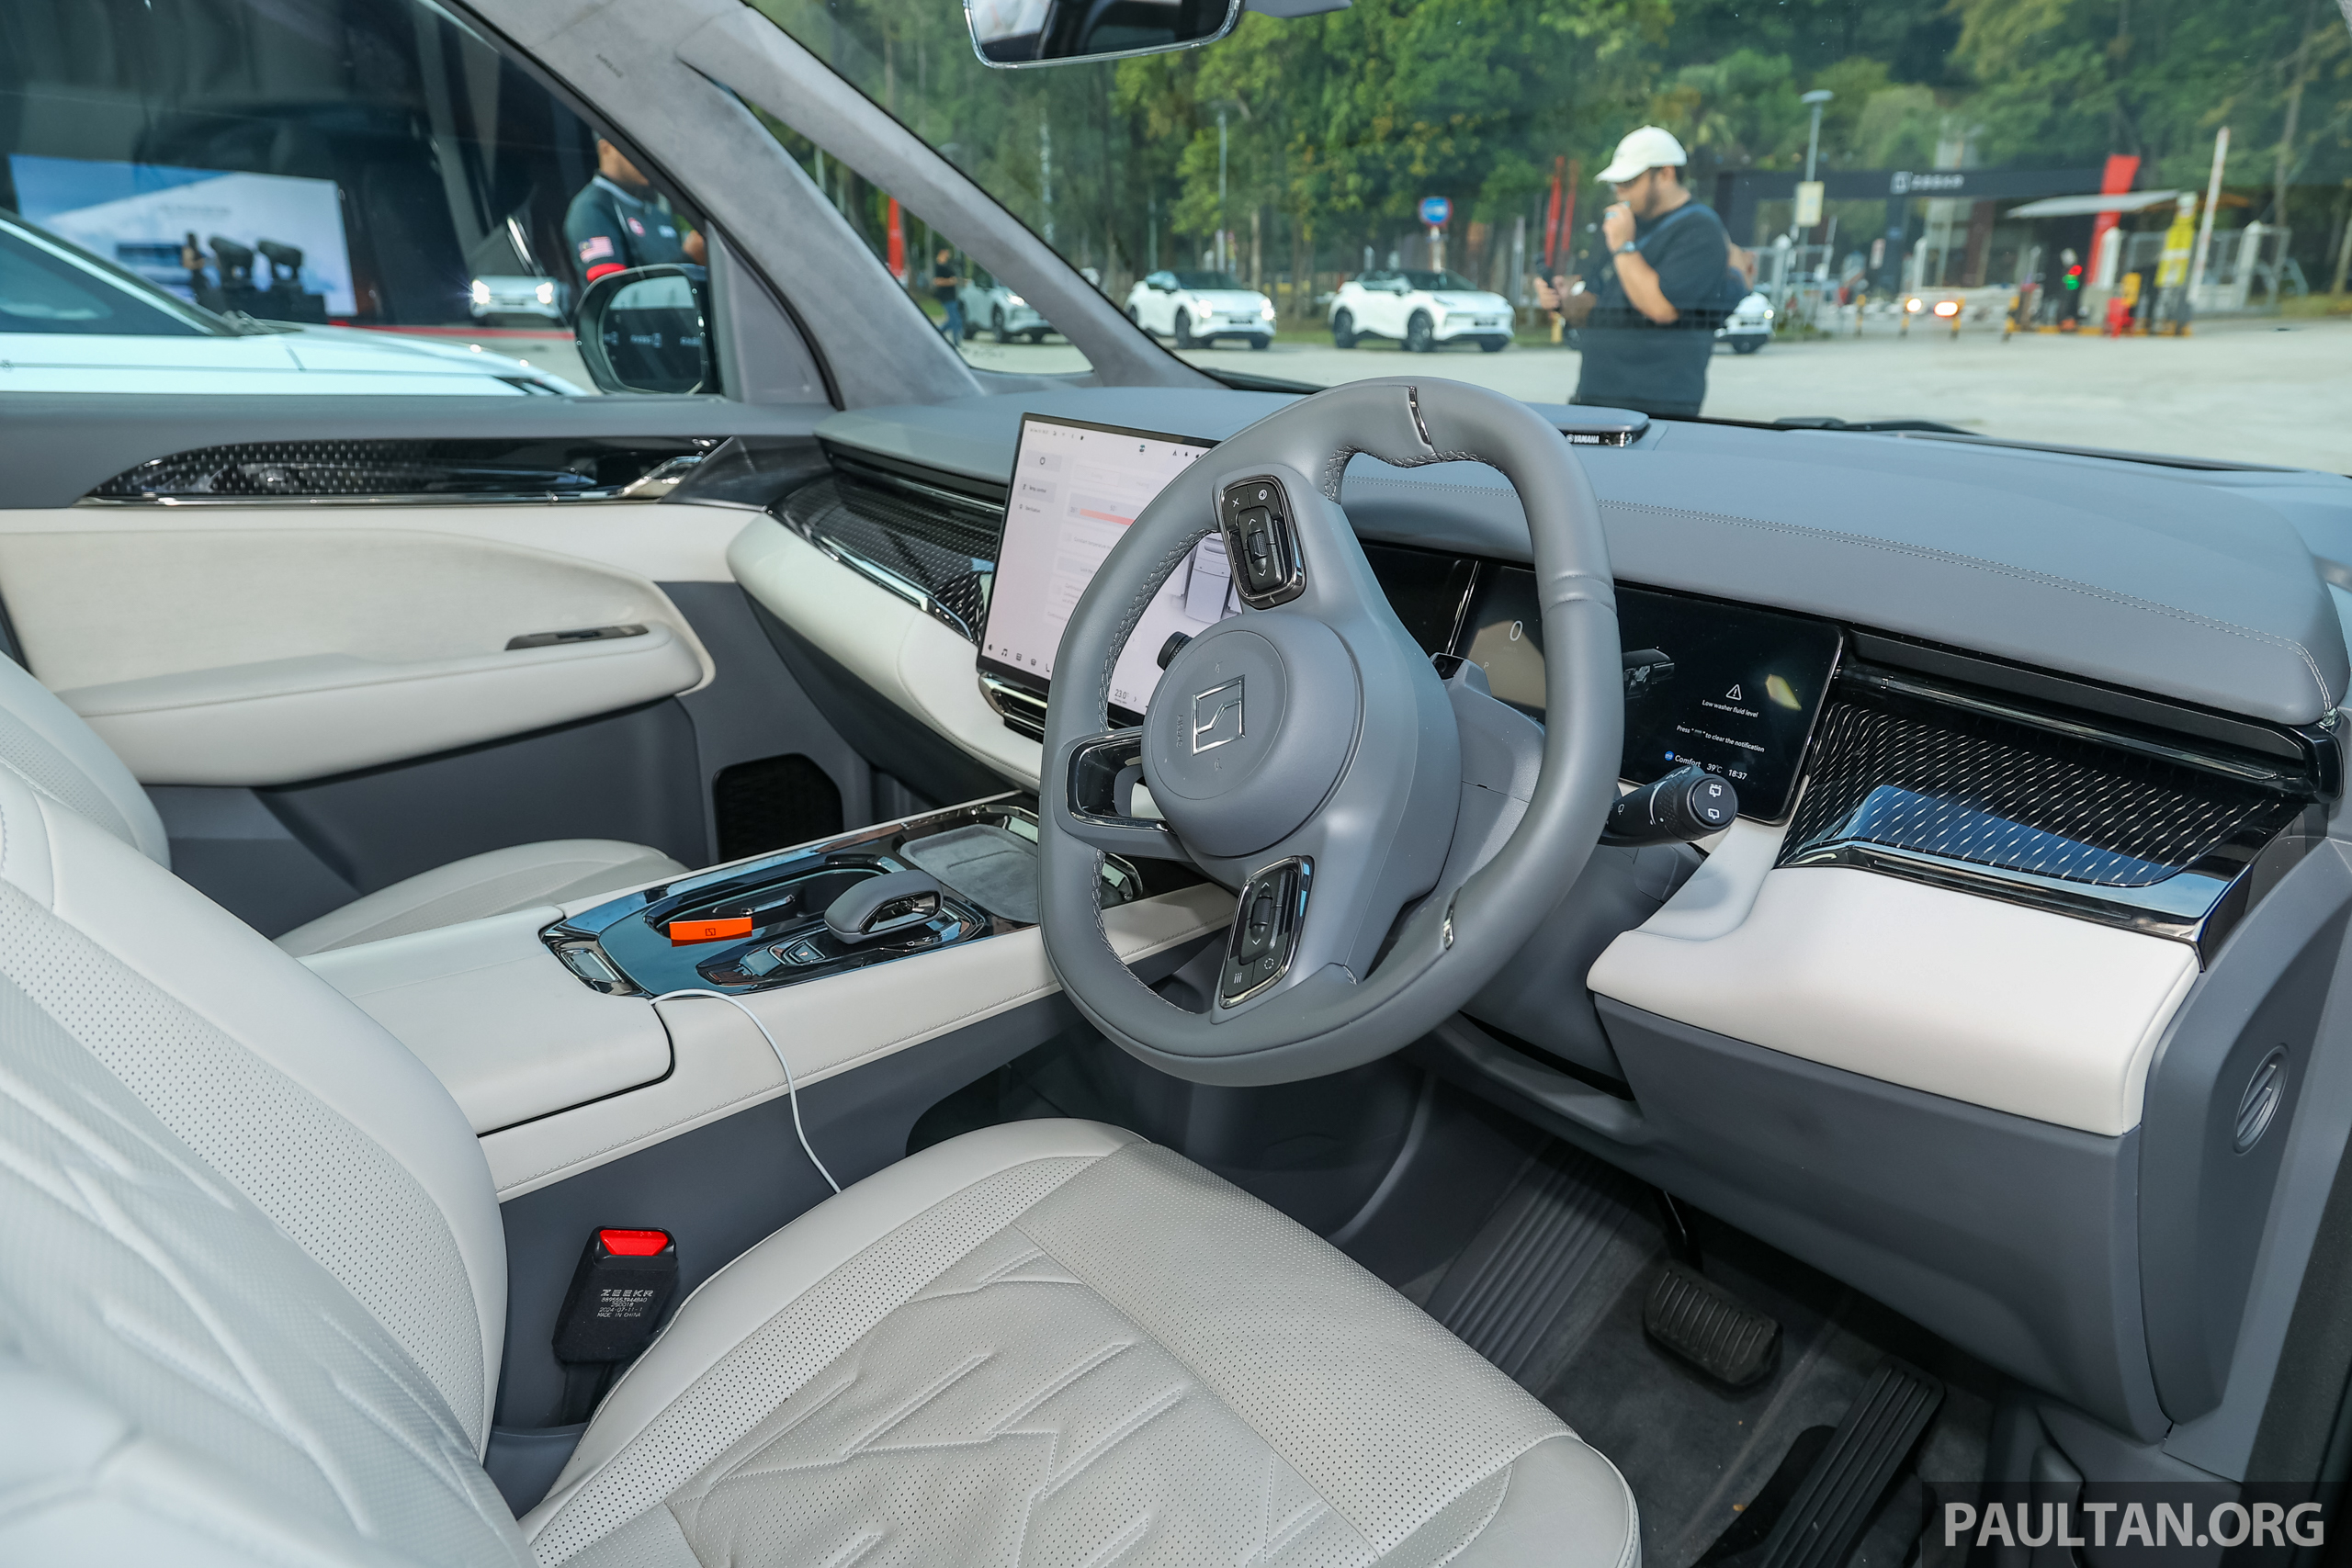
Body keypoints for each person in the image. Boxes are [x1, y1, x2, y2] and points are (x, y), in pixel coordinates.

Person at [1544, 126, 1732, 417]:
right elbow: (1595, 300)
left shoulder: (1699, 230)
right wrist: (1561, 300)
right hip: (1595, 401)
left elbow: (1662, 308)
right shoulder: (1625, 225)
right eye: (1616, 184)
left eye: (1629, 182)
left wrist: (1623, 246)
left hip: (1658, 408)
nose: (1620, 192)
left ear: (1666, 174)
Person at [564, 137, 704, 288]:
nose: (647, 159)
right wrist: (689, 258)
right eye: (637, 148)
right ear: (606, 148)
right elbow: (613, 291)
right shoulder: (592, 208)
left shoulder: (656, 209)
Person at [931, 247, 966, 342]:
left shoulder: (947, 265)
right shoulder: (939, 266)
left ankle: (939, 333)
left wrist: (962, 281)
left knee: (955, 320)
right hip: (946, 296)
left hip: (952, 296)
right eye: (947, 253)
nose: (948, 256)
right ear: (942, 252)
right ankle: (954, 340)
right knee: (955, 320)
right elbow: (937, 281)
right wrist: (950, 281)